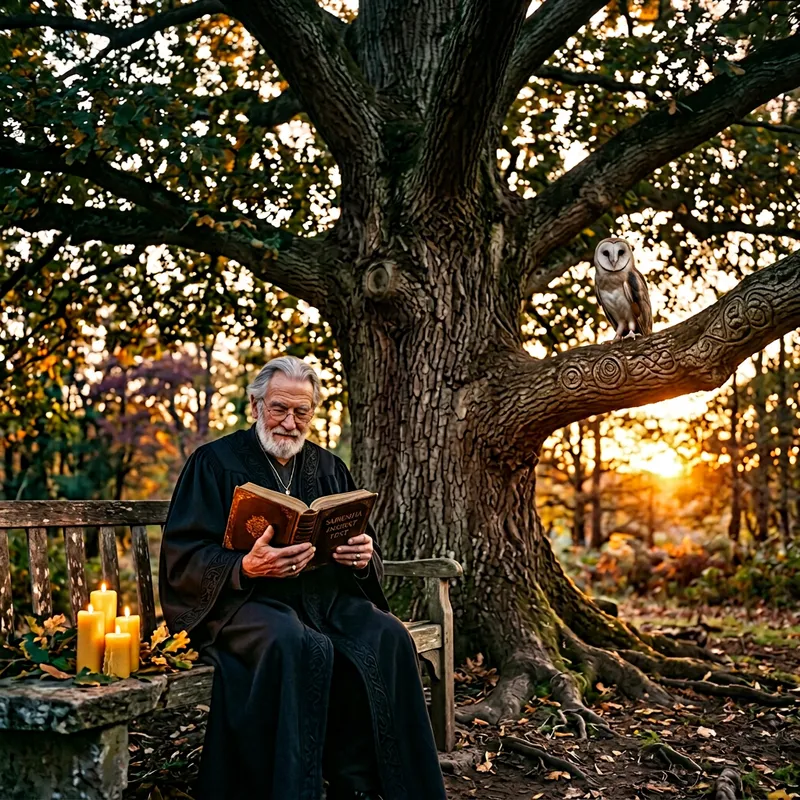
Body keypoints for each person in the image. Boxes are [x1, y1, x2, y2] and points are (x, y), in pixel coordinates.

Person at [159, 355, 447, 800]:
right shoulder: (213, 463)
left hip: (323, 598)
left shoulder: (329, 467)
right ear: (255, 405)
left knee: (388, 635)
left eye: (301, 412)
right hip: (245, 604)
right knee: (293, 643)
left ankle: (368, 785)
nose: (289, 423)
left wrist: (363, 555)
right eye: (279, 409)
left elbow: (359, 540)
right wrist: (244, 566)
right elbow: (183, 556)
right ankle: (292, 787)